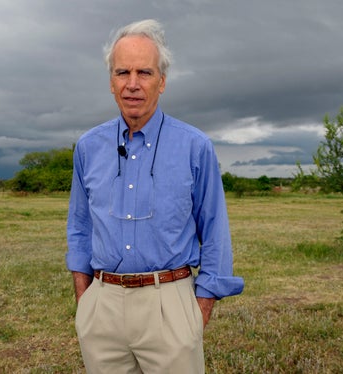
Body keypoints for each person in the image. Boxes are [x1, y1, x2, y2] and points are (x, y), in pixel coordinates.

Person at [66, 19, 244, 373]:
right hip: (103, 307)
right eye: (122, 72)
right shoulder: (88, 147)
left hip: (170, 303)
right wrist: (86, 302)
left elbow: (215, 232)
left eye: (144, 72)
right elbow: (80, 228)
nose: (133, 84)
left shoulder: (195, 147)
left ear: (162, 81)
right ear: (111, 82)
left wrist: (199, 310)